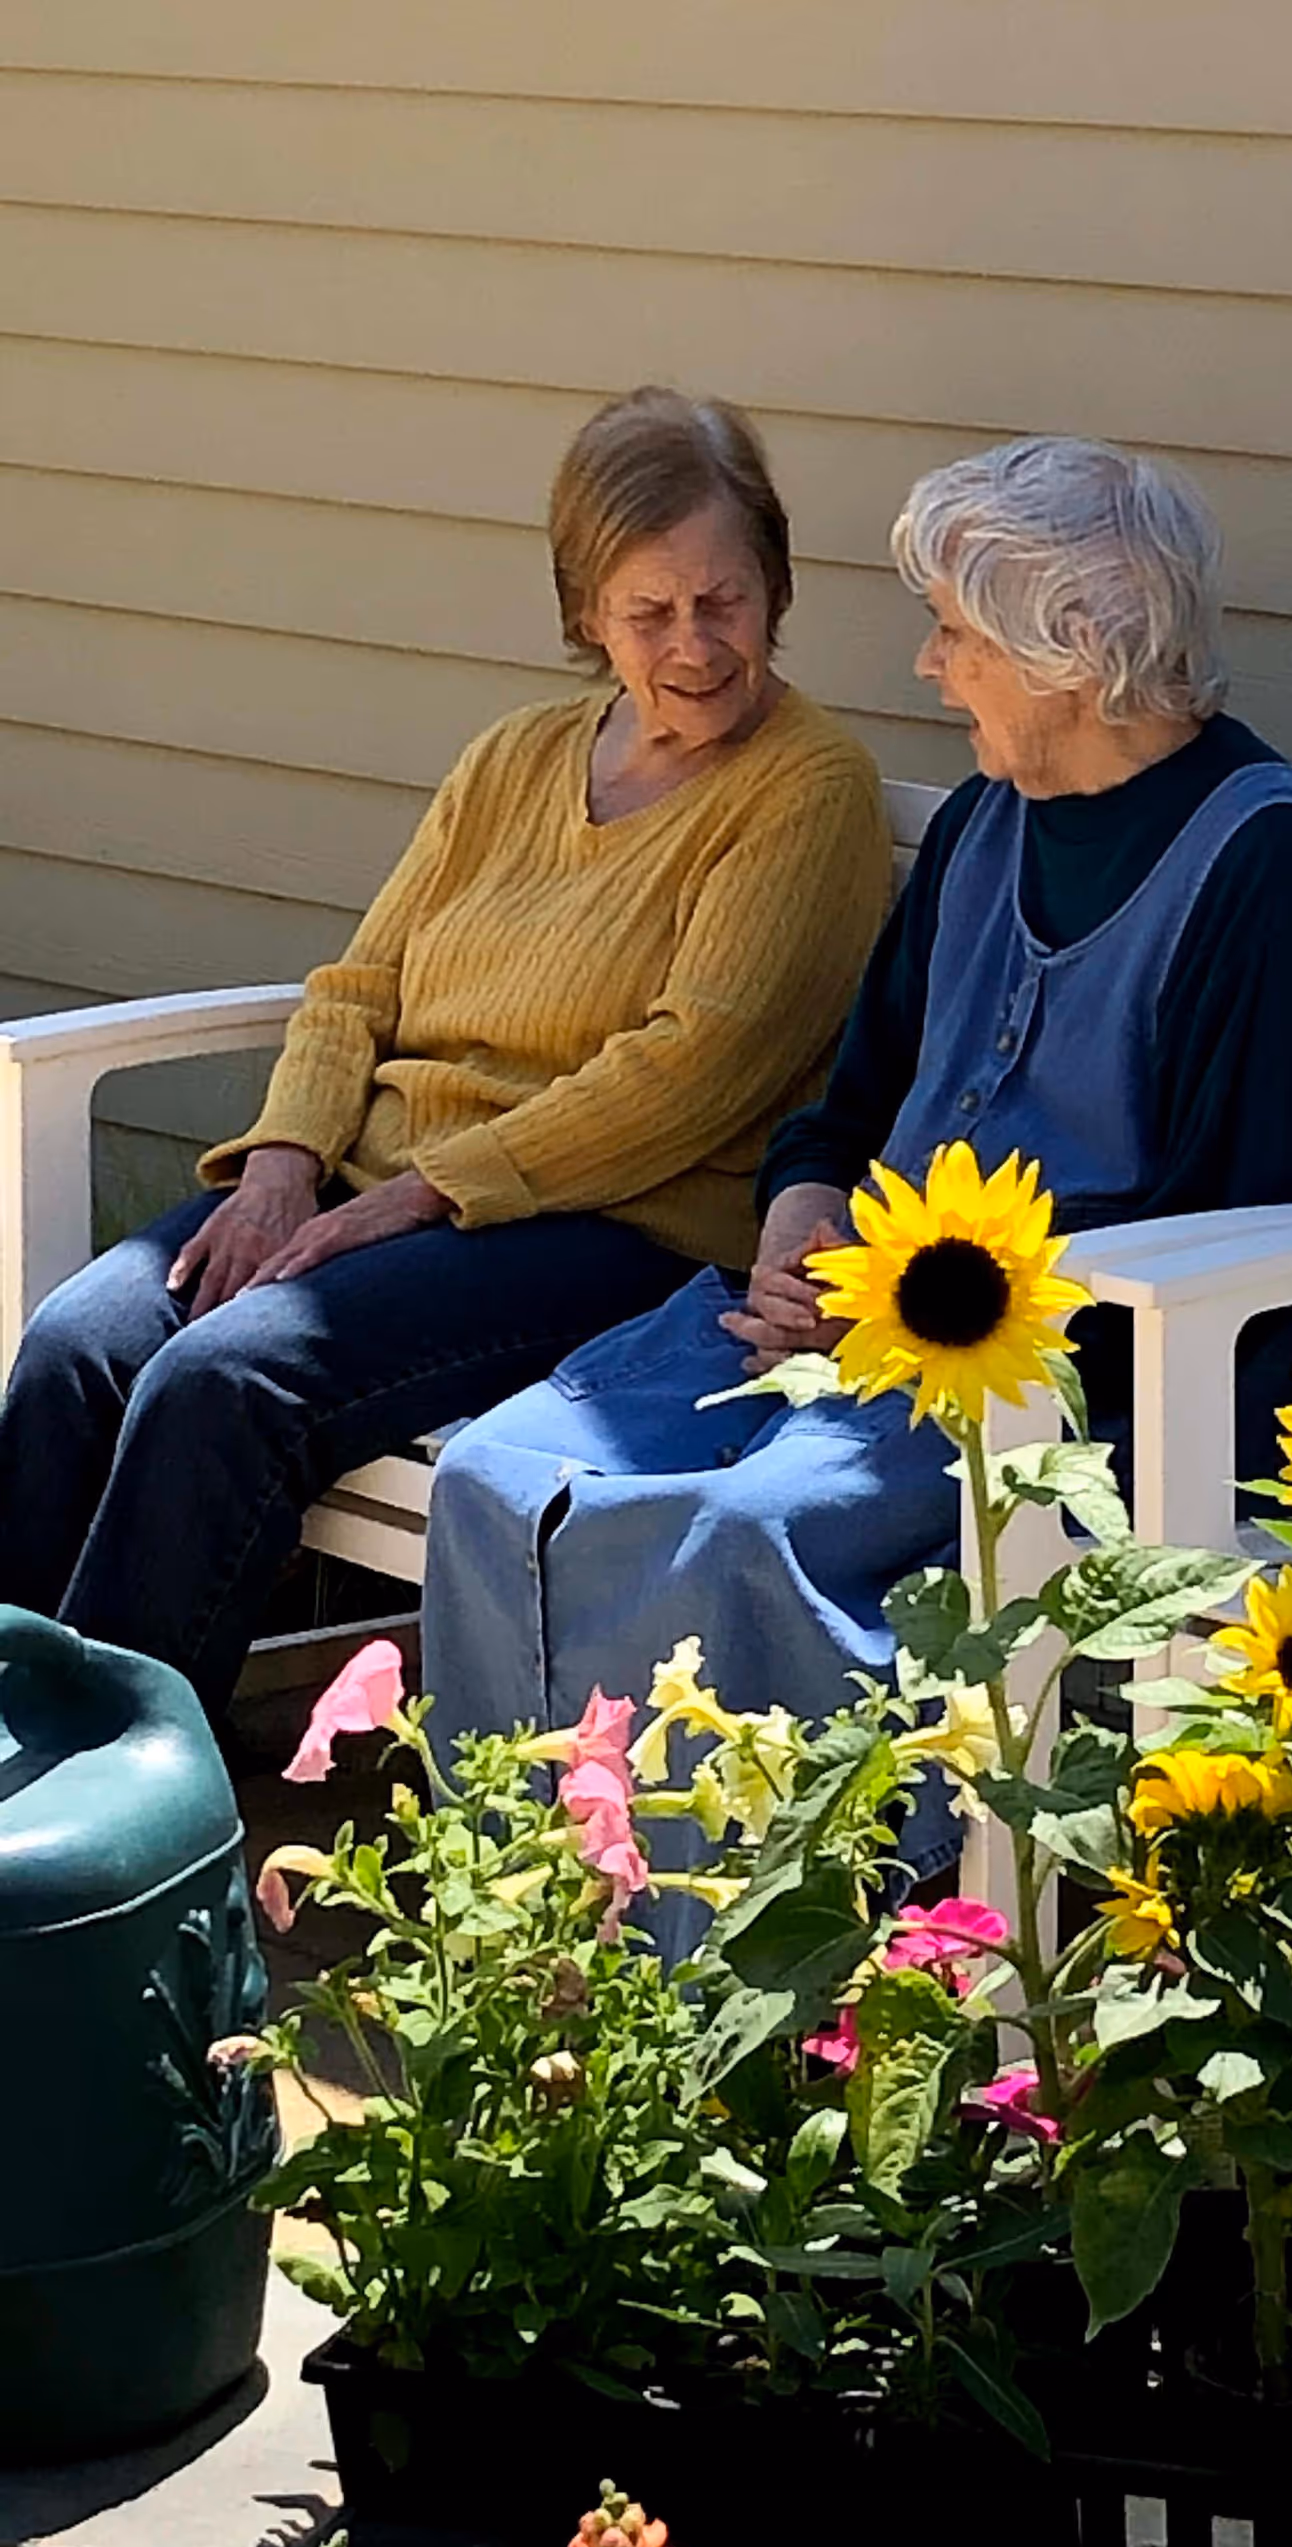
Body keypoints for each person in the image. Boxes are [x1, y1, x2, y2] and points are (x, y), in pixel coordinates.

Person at [420, 436, 1292, 1946]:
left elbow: (1266, 1244)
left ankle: (768, 1986)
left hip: (1076, 1392)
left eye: (958, 633)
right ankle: (532, 1940)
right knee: (493, 1478)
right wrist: (805, 1212)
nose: (932, 668)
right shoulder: (983, 823)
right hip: (838, 1331)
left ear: (1070, 651)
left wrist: (915, 1320)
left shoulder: (1276, 873)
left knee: (746, 1531)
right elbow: (852, 1099)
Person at [0, 387, 892, 1716]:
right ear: (586, 610)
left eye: (727, 602)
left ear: (777, 588)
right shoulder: (516, 757)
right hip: (375, 1197)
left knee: (223, 1380)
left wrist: (416, 1197)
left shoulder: (808, 793)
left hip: (606, 1226)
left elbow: (686, 1074)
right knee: (81, 1343)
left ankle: (112, 1800)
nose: (696, 645)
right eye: (650, 613)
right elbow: (361, 984)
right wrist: (285, 1168)